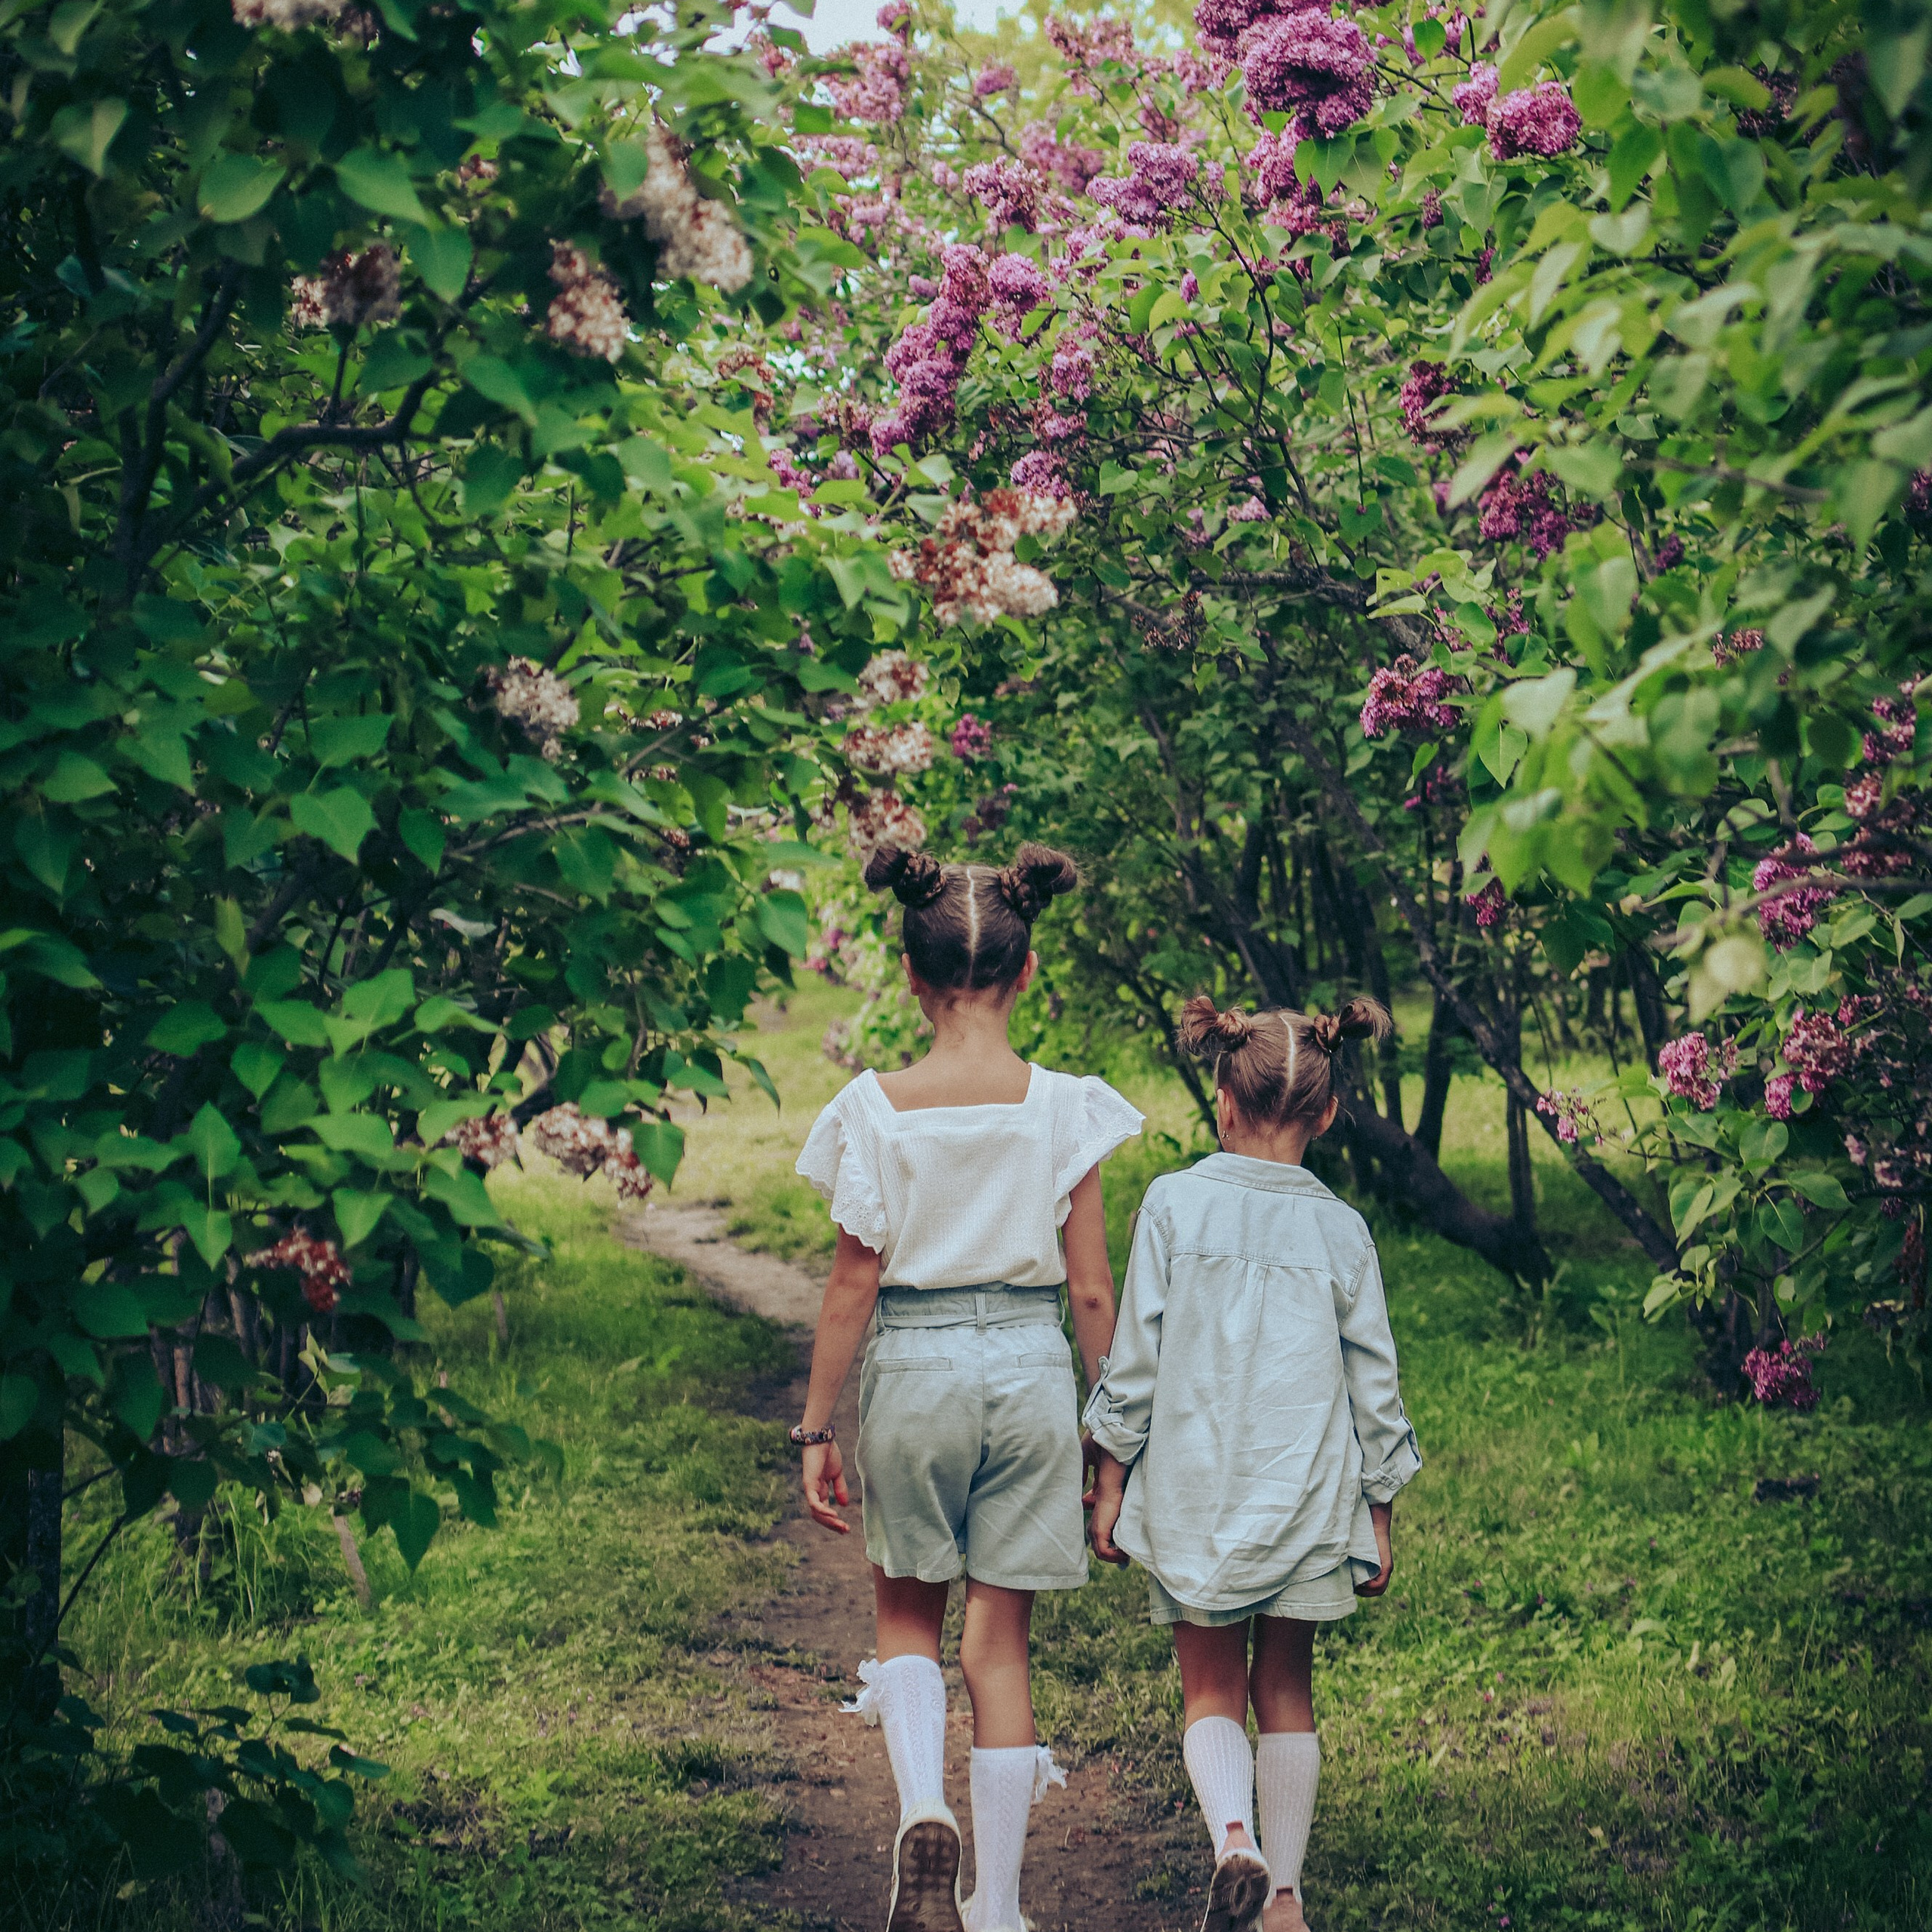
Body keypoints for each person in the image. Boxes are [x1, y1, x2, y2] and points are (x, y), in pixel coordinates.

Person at [792, 841, 1143, 1932]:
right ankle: (997, 1907)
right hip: (1034, 1372)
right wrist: (1114, 1433)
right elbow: (1091, 1291)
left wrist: (814, 1427)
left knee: (907, 1614)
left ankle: (920, 1810)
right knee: (1000, 1643)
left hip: (916, 1366)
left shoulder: (873, 1107)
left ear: (909, 975)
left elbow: (854, 1284)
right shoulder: (1068, 1108)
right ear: (1027, 972)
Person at [1084, 994, 1422, 1932]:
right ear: (1325, 1113)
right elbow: (1375, 1382)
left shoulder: (1172, 1204)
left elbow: (1137, 1360)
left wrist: (1109, 1475)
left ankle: (1234, 1835)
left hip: (1196, 1491)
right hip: (1308, 1497)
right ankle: (1282, 1900)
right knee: (1287, 1693)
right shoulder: (1342, 1230)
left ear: (1221, 1101)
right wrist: (1378, 1507)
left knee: (1209, 1691)